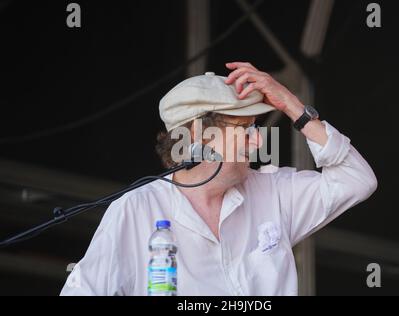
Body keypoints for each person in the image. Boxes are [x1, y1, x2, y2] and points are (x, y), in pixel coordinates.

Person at [61, 62, 377, 296]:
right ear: (199, 135)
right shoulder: (137, 209)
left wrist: (295, 108)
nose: (258, 142)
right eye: (245, 130)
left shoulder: (273, 191)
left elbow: (357, 180)